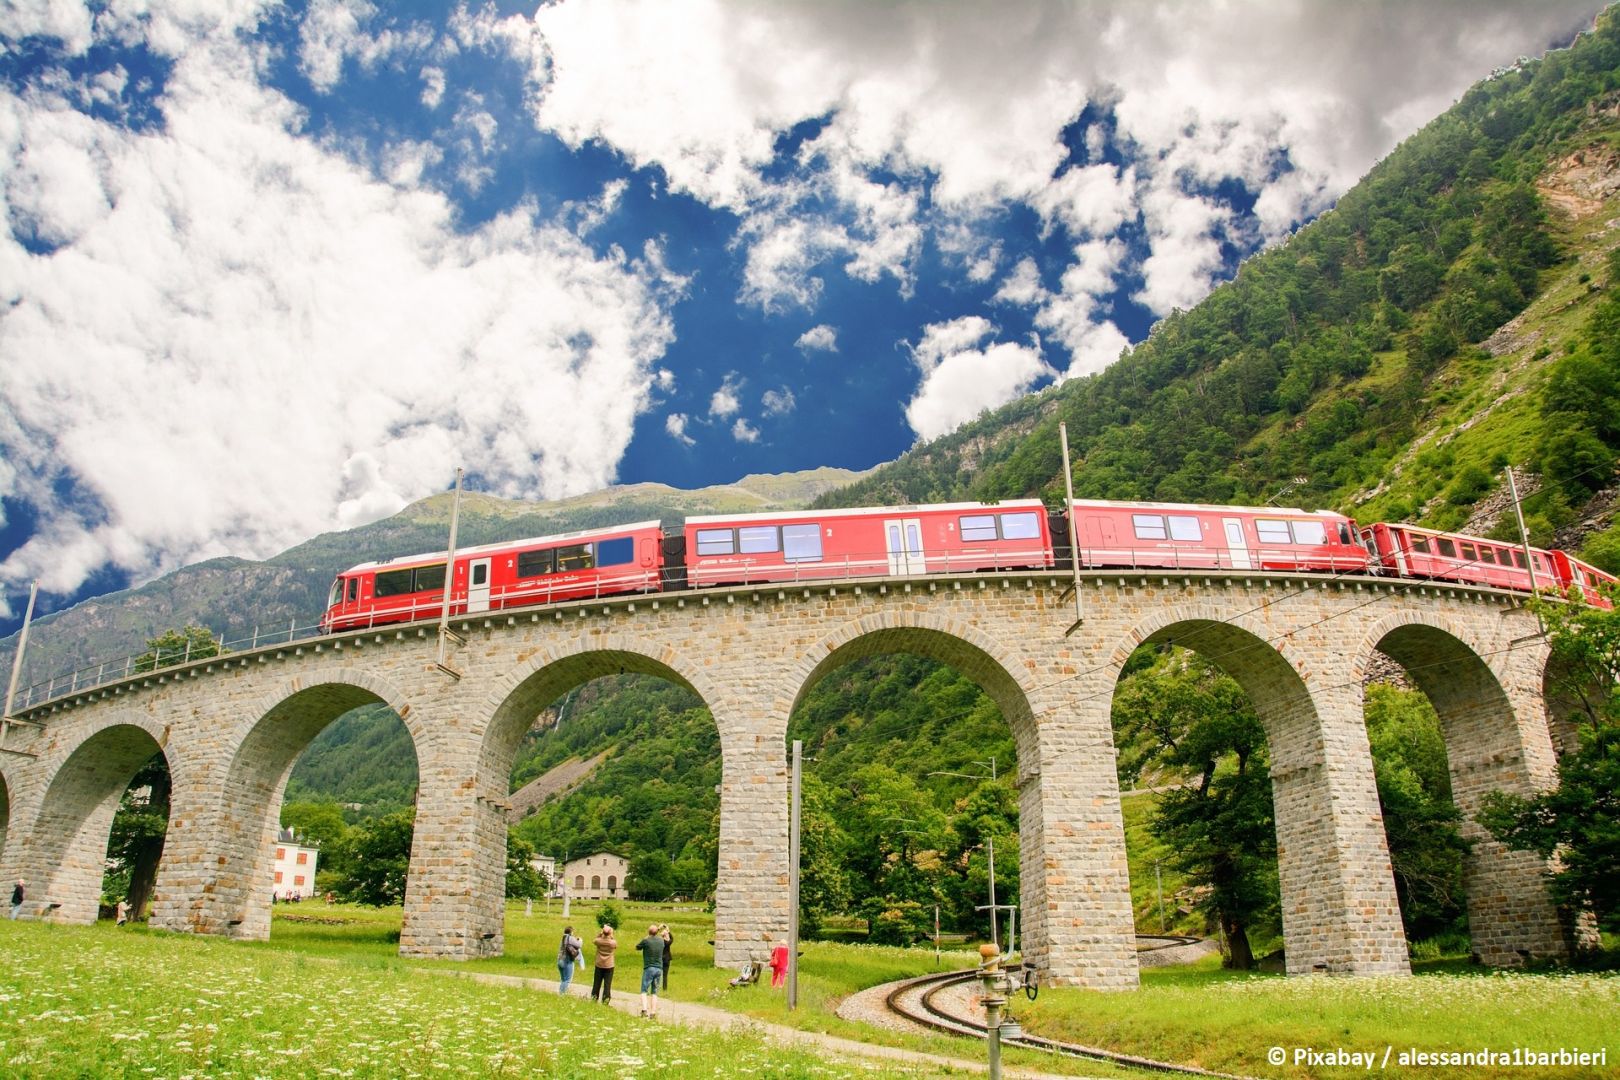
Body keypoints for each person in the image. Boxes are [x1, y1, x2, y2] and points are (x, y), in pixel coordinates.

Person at [635, 923, 666, 1017]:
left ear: (649, 932)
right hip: (659, 969)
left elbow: (637, 947)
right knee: (655, 991)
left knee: (644, 990)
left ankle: (644, 1010)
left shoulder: (646, 940)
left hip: (649, 968)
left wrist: (648, 935)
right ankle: (653, 1012)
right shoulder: (661, 941)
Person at [590, 923, 617, 1004]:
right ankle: (605, 1000)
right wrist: (611, 935)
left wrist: (600, 934)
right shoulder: (612, 943)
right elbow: (615, 943)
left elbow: (594, 940)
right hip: (609, 965)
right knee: (607, 984)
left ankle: (594, 998)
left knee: (596, 983)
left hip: (599, 964)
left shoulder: (599, 941)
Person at [557, 925, 583, 995]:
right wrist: (580, 940)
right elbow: (578, 945)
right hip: (567, 961)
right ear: (571, 932)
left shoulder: (563, 938)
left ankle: (560, 993)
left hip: (559, 960)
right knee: (567, 980)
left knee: (563, 979)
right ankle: (562, 995)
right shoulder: (570, 938)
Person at [659, 923, 674, 989]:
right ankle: (665, 988)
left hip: (659, 958)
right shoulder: (668, 943)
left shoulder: (659, 941)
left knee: (657, 974)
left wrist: (658, 928)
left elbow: (653, 934)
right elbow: (672, 938)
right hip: (667, 959)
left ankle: (656, 987)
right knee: (665, 975)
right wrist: (668, 931)